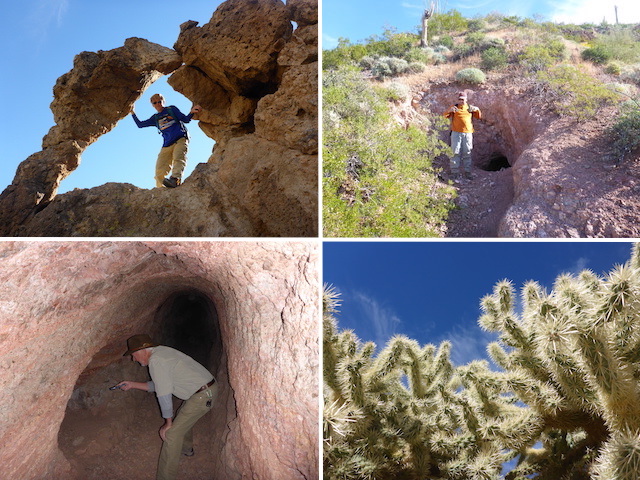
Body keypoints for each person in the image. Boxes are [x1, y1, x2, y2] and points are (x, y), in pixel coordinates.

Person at [117, 334, 217, 480]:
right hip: (205, 390)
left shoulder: (156, 361)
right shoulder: (161, 352)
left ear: (142, 350)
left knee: (172, 434)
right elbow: (159, 384)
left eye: (133, 355)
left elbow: (163, 393)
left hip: (203, 395)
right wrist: (132, 385)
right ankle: (186, 449)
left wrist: (167, 423)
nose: (134, 359)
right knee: (183, 416)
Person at [132, 94, 202, 188]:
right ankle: (161, 190)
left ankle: (175, 179)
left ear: (163, 101)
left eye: (159, 101)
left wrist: (192, 112)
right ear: (152, 105)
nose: (158, 104)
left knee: (178, 158)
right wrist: (132, 113)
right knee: (159, 170)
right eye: (155, 102)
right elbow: (140, 124)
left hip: (180, 139)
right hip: (167, 144)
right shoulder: (155, 118)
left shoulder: (171, 109)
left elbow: (185, 119)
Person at [443, 91, 481, 180]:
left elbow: (478, 116)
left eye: (463, 99)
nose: (461, 101)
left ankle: (467, 172)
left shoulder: (470, 108)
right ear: (458, 100)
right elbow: (444, 116)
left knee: (467, 152)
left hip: (467, 133)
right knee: (454, 152)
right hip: (456, 133)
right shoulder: (454, 108)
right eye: (460, 99)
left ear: (466, 99)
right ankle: (454, 172)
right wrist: (449, 111)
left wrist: (477, 109)